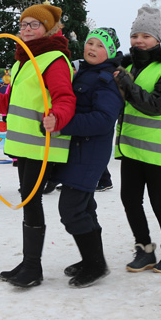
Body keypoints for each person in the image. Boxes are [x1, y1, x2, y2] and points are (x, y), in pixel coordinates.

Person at [0, 4, 76, 288]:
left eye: (34, 25)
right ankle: (30, 262)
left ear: (49, 29)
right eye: (23, 24)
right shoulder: (23, 62)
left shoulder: (53, 60)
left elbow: (64, 98)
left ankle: (33, 266)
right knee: (29, 200)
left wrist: (57, 117)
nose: (26, 29)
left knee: (31, 200)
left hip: (43, 144)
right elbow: (9, 104)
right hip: (26, 146)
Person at [114, 6, 161, 274]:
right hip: (132, 147)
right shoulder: (129, 66)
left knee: (159, 200)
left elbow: (157, 105)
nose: (139, 41)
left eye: (146, 36)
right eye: (135, 35)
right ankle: (144, 248)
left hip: (158, 150)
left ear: (157, 39)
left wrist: (127, 84)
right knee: (130, 199)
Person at [54, 27, 124, 287]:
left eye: (99, 46)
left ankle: (95, 264)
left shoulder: (106, 79)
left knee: (71, 209)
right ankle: (93, 259)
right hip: (77, 151)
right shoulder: (83, 72)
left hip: (90, 152)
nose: (92, 48)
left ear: (110, 52)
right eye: (90, 42)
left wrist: (63, 125)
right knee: (84, 207)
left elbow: (104, 120)